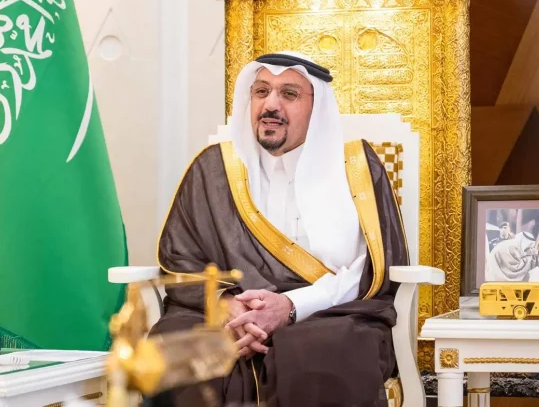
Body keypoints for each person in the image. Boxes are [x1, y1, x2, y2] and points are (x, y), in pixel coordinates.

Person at [145, 52, 408, 407]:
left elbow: (370, 271)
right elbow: (182, 259)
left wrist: (290, 306)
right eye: (261, 91)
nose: (270, 105)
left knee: (321, 356)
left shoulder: (356, 170)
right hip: (226, 312)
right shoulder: (213, 169)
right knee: (174, 348)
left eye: (288, 93)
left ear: (317, 108)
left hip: (329, 313)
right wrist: (229, 307)